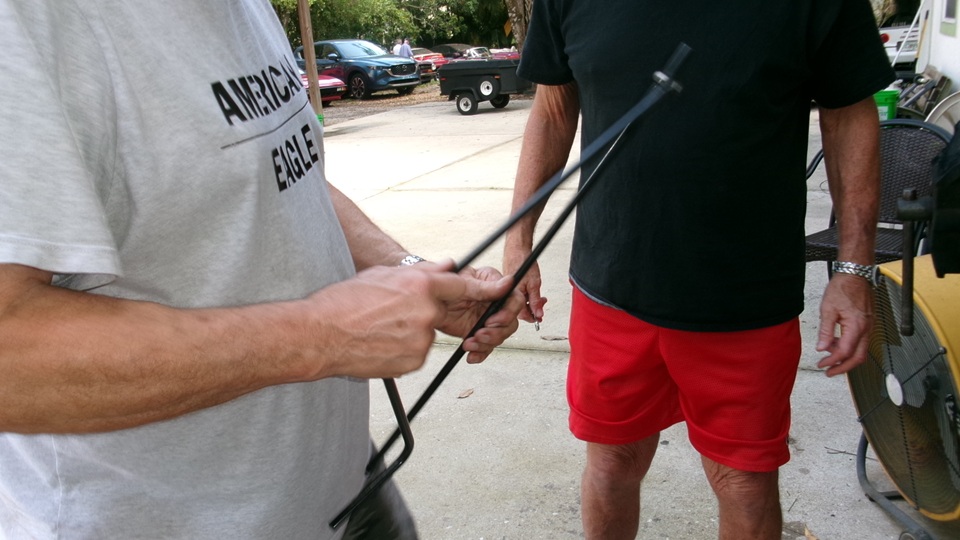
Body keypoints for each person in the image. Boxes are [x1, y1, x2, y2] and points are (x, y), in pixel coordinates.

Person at [0, 1, 522, 538]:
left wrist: (412, 274)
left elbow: (283, 174)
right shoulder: (29, 22)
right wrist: (321, 336)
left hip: (344, 483)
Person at [503, 1, 894, 538]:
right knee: (612, 464)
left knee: (744, 483)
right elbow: (552, 110)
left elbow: (849, 110)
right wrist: (519, 241)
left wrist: (853, 268)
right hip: (611, 285)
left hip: (744, 298)